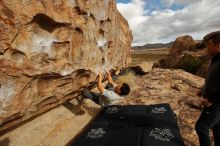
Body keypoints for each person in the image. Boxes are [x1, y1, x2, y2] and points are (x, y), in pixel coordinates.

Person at [195, 30, 220, 146]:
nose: (207, 48)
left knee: (201, 127)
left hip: (216, 104)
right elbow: (214, 80)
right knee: (217, 126)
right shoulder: (215, 60)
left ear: (218, 46)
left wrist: (210, 100)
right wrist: (203, 90)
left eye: (209, 45)